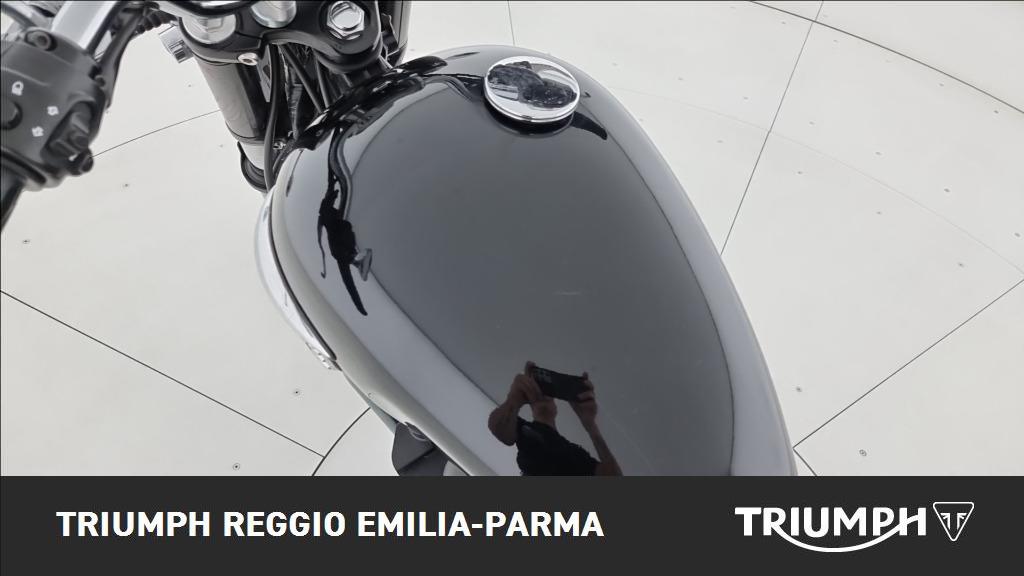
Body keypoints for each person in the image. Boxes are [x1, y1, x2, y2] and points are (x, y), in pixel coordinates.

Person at [488, 362, 622, 476]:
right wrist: (514, 398)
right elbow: (498, 428)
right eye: (540, 388)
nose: (543, 396)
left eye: (548, 391)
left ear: (555, 408)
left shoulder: (574, 453)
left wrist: (590, 425)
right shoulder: (525, 430)